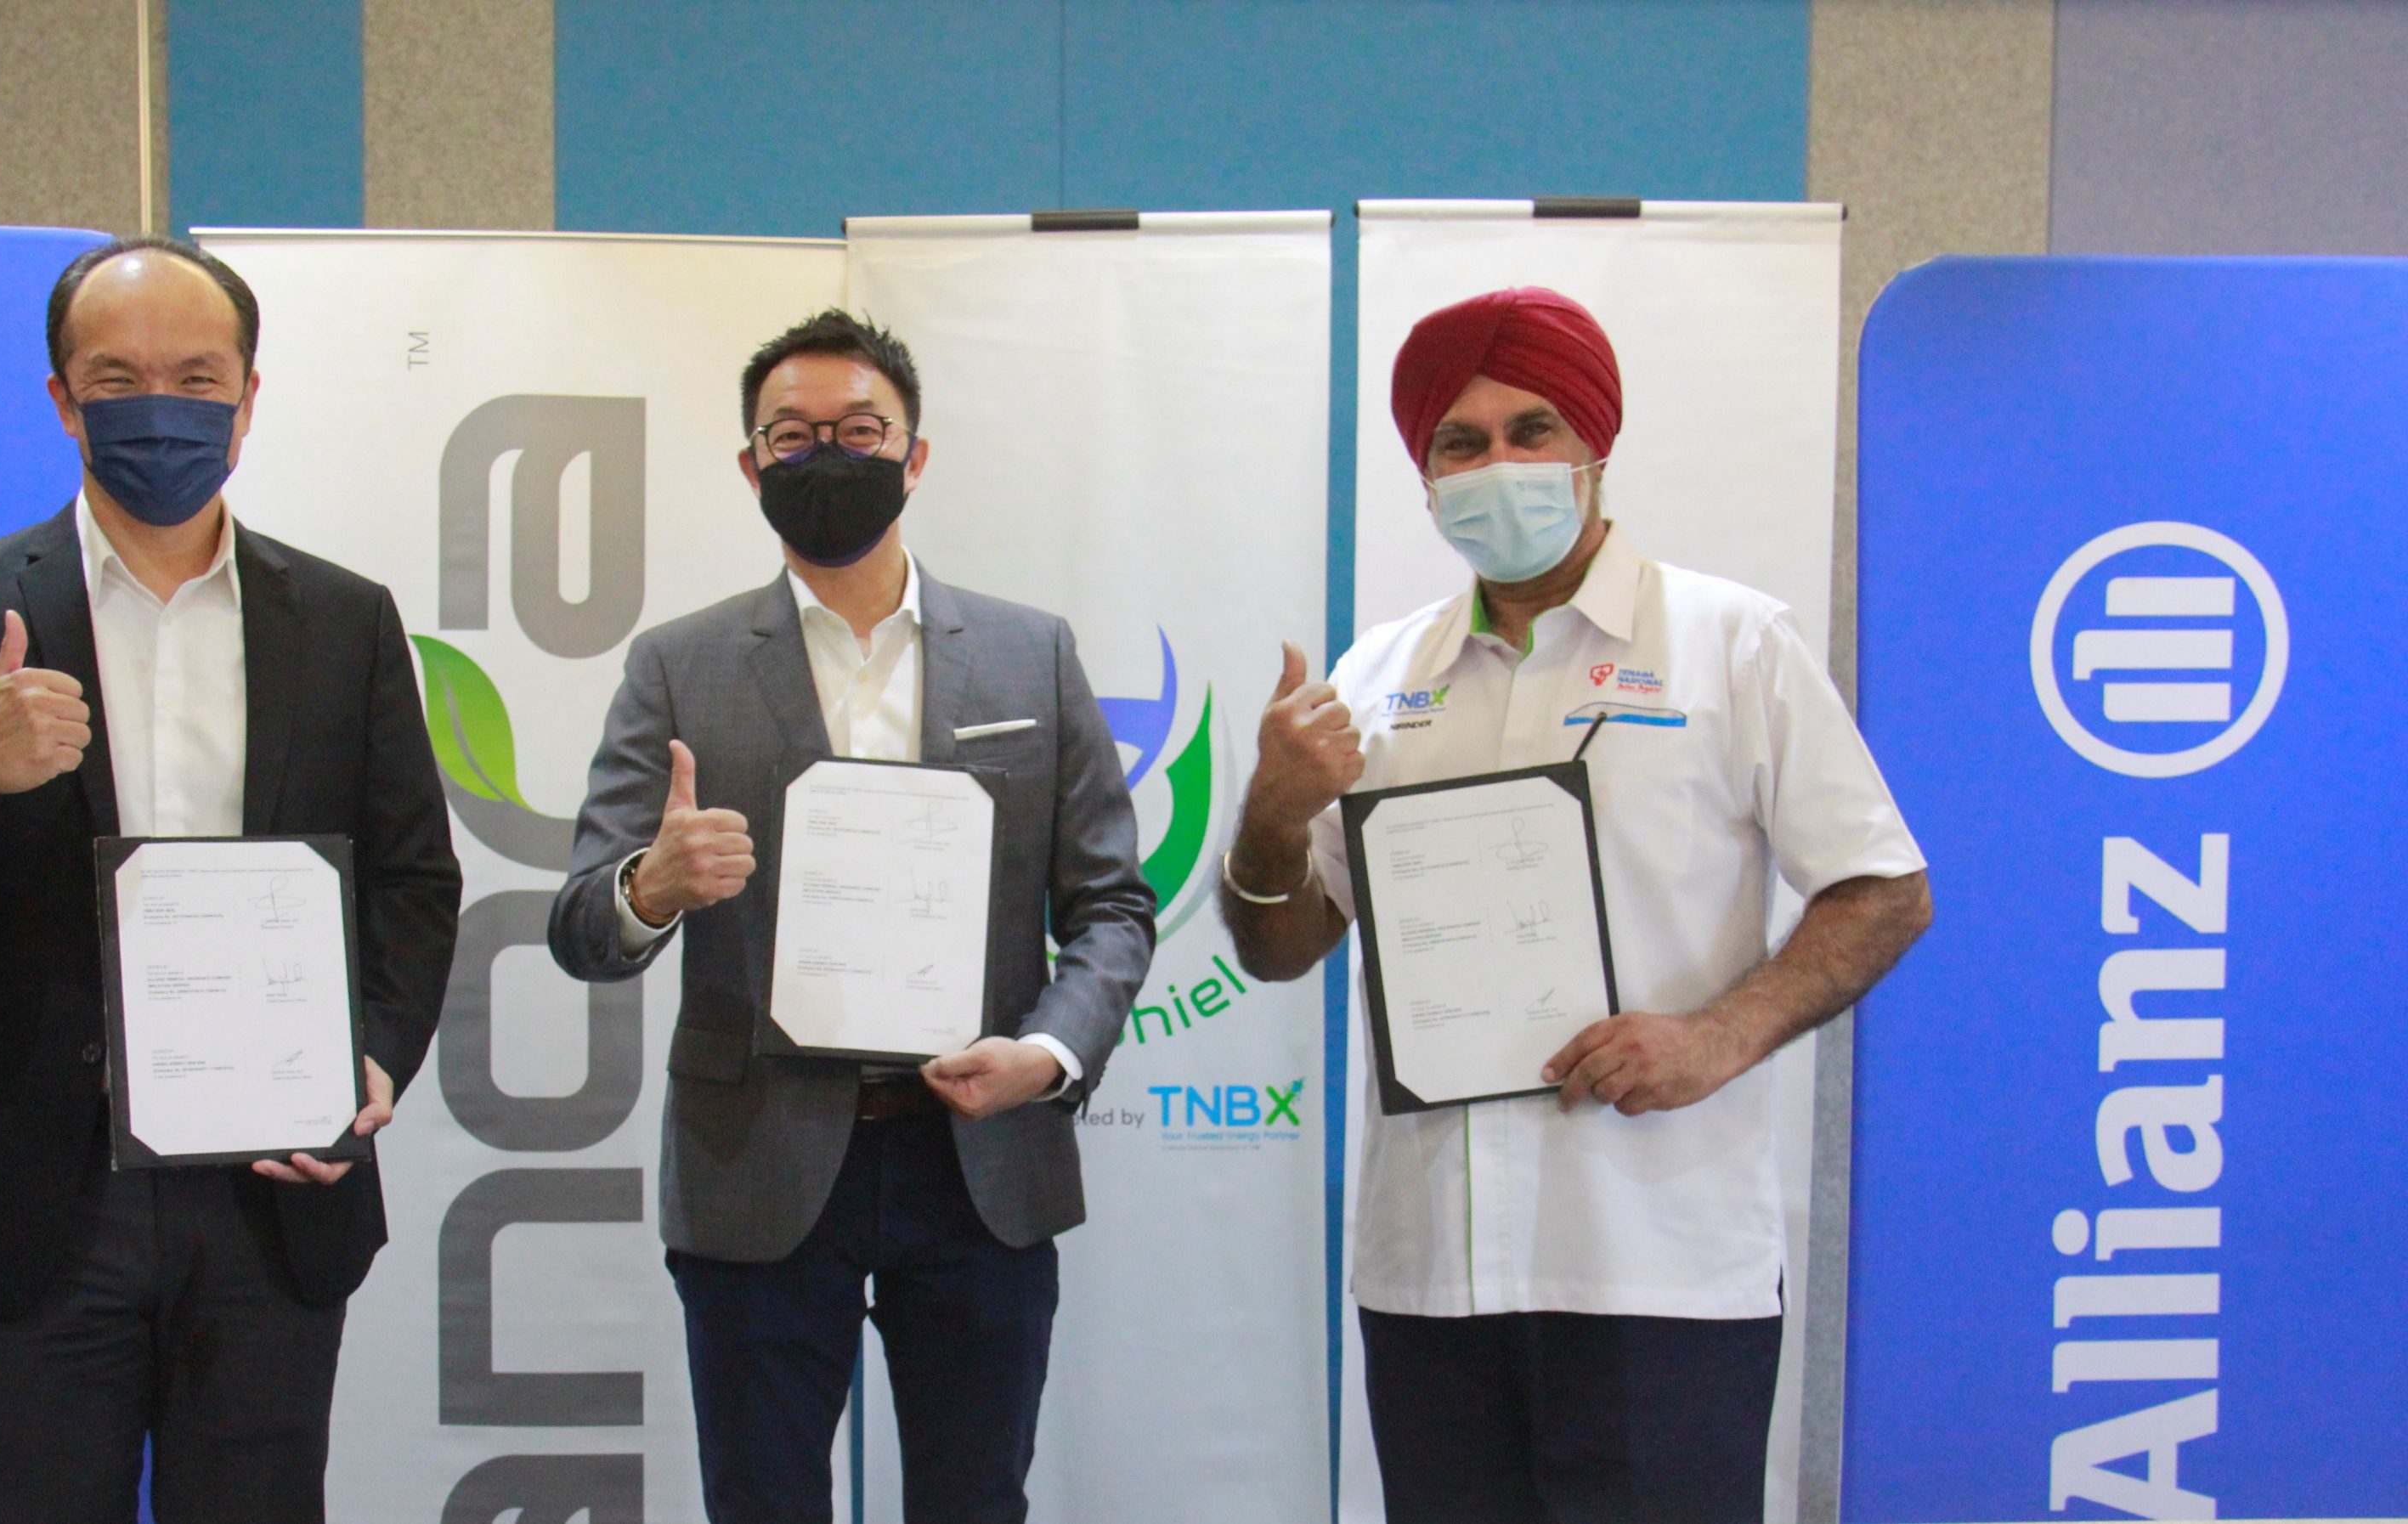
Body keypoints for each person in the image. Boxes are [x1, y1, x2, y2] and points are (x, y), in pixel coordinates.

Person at [0, 234, 461, 1523]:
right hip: (31, 1198)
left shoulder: (343, 617)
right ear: (62, 399)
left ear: (247, 399)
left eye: (198, 378)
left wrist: (368, 1058)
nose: (163, 407)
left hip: (269, 1189)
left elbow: (414, 879)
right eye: (119, 378)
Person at [1221, 287, 1933, 1522]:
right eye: (1460, 442)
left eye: (1531, 429)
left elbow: (1884, 889)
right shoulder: (1376, 676)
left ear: (1594, 444)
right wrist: (1273, 813)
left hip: (1657, 1266)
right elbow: (1281, 947)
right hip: (1434, 1274)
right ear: (1427, 477)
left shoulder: (1732, 643)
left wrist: (1715, 1037)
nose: (1497, 464)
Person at [546, 309, 1156, 1523]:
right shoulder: (677, 665)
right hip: (756, 1161)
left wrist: (1046, 1053)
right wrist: (651, 886)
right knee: (762, 1504)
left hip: (976, 1155)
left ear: (914, 454)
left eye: (860, 430)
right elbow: (580, 928)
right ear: (751, 464)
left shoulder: (1031, 655)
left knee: (975, 1503)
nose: (826, 455)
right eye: (792, 435)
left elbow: (1112, 905)